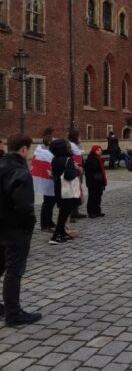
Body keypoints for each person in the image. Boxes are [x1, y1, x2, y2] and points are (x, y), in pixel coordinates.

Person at [0, 134, 43, 326]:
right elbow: (24, 206)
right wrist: (29, 225)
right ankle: (13, 313)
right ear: (24, 149)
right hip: (15, 228)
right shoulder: (20, 172)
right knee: (14, 271)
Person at [49, 139, 82, 244]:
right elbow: (69, 175)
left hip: (59, 189)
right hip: (67, 191)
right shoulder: (68, 159)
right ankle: (55, 237)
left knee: (62, 213)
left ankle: (62, 234)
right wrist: (77, 170)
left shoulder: (55, 159)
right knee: (63, 215)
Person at [31, 128, 56, 232]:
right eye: (50, 136)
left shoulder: (49, 148)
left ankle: (49, 221)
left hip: (51, 179)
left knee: (51, 202)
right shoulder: (41, 150)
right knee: (47, 202)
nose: (52, 138)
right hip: (46, 179)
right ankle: (45, 225)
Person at [84, 145, 107, 218]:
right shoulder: (90, 159)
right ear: (94, 151)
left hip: (99, 181)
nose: (100, 151)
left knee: (98, 197)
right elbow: (89, 172)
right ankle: (91, 212)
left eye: (100, 150)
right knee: (92, 197)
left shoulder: (99, 159)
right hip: (92, 182)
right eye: (98, 150)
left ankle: (97, 211)